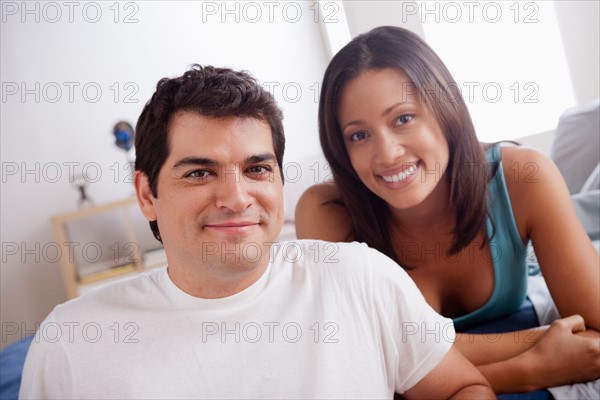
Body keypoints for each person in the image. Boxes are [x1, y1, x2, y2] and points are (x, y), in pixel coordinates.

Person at [19, 65, 494, 399]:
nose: (236, 197)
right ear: (146, 194)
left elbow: (462, 386)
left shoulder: (361, 276)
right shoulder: (72, 341)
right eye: (199, 173)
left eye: (257, 169)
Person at [295, 26, 600, 396]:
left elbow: (591, 335)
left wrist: (407, 357)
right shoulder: (327, 212)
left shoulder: (524, 175)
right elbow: (366, 360)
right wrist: (531, 365)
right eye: (359, 135)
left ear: (445, 108)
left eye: (403, 118)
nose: (388, 153)